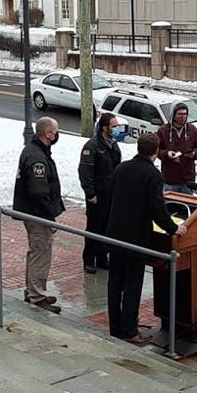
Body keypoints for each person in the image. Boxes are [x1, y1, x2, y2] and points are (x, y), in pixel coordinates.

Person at [105, 132, 187, 343]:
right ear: (156, 152)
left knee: (115, 283)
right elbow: (156, 208)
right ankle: (129, 330)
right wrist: (172, 228)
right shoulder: (152, 174)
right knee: (132, 284)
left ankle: (116, 326)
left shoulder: (122, 167)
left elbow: (109, 194)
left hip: (115, 235)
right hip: (135, 240)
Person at [14, 116, 65, 313]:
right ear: (47, 133)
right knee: (41, 252)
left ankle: (32, 290)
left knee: (35, 251)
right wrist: (49, 219)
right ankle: (37, 295)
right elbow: (38, 191)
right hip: (37, 214)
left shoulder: (36, 151)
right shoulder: (37, 157)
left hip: (33, 212)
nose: (56, 135)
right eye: (55, 131)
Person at [79, 112, 124, 274]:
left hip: (110, 196)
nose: (117, 129)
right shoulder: (92, 147)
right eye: (114, 126)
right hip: (97, 197)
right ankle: (89, 260)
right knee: (94, 228)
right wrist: (90, 194)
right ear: (105, 128)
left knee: (107, 228)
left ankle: (102, 258)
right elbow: (85, 172)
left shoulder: (113, 145)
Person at [157, 103, 197, 193]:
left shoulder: (192, 130)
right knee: (170, 205)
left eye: (185, 114)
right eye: (180, 114)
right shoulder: (163, 131)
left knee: (187, 205)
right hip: (169, 178)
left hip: (187, 178)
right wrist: (167, 154)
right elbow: (157, 150)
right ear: (173, 115)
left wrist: (194, 153)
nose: (183, 117)